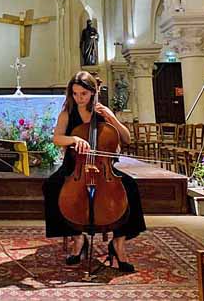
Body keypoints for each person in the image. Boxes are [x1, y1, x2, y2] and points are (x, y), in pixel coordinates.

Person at [42, 71, 146, 271]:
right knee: (51, 186)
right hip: (75, 166)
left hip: (104, 167)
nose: (79, 98)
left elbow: (126, 138)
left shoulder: (102, 111)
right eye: (75, 93)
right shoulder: (67, 112)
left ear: (92, 92)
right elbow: (57, 138)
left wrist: (111, 119)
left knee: (130, 187)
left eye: (83, 94)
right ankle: (78, 239)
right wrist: (74, 139)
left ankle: (118, 244)